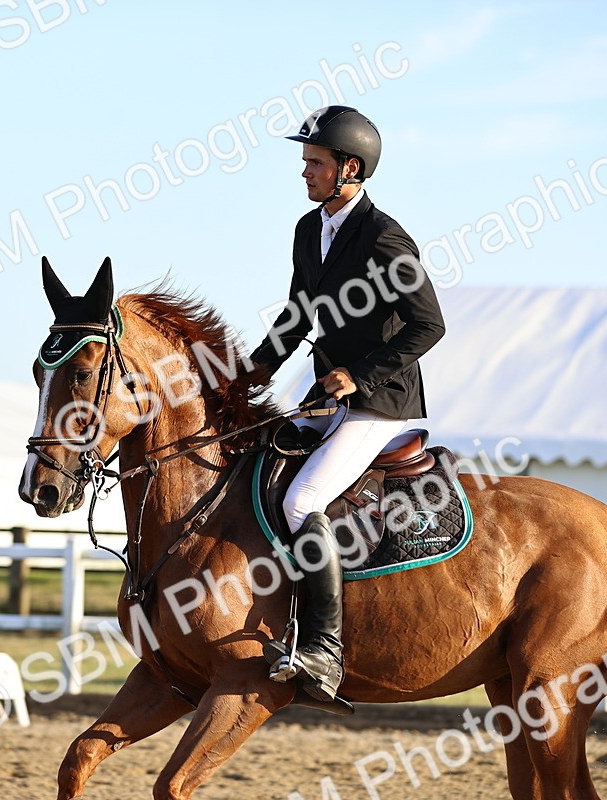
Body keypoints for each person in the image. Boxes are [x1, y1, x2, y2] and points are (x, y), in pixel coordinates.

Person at [248, 105, 446, 701]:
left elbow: (428, 326)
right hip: (326, 400)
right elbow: (295, 315)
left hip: (381, 403)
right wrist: (250, 372)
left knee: (302, 496)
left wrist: (357, 376)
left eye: (315, 163)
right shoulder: (311, 231)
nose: (304, 172)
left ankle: (323, 651)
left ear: (350, 168)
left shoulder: (384, 237)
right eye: (306, 162)